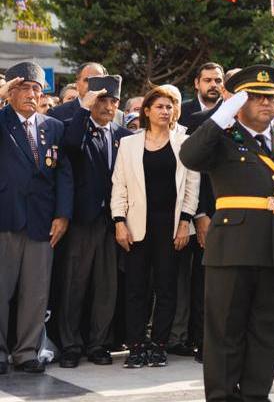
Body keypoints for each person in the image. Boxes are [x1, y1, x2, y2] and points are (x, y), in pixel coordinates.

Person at [179, 65, 274, 402]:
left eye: (269, 97)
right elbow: (189, 155)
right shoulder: (221, 138)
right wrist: (220, 115)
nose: (266, 103)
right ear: (238, 102)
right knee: (225, 333)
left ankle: (256, 395)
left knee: (267, 334)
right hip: (233, 251)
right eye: (255, 97)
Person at [111, 85, 199, 368]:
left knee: (167, 288)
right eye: (160, 106)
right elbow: (119, 186)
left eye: (170, 106)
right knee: (136, 288)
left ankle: (159, 345)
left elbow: (192, 189)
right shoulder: (129, 144)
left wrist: (186, 222)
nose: (166, 111)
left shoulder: (185, 143)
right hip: (136, 226)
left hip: (171, 227)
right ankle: (136, 346)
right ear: (146, 111)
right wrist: (119, 222)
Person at [0, 63, 70, 375]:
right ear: (11, 91)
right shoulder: (1, 121)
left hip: (42, 221)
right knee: (1, 290)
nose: (32, 94)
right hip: (6, 217)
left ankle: (26, 352)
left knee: (36, 291)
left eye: (37, 89)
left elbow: (64, 175)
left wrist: (63, 214)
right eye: (25, 88)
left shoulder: (52, 126)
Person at [57, 75, 128, 368]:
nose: (108, 106)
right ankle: (71, 345)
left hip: (112, 221)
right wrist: (83, 109)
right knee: (74, 285)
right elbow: (70, 148)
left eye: (113, 101)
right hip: (82, 219)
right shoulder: (76, 129)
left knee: (106, 286)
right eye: (102, 100)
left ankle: (99, 343)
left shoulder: (124, 136)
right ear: (91, 101)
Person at [179, 62, 224, 127]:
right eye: (207, 80)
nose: (213, 85)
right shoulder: (181, 111)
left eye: (218, 81)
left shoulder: (233, 111)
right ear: (197, 83)